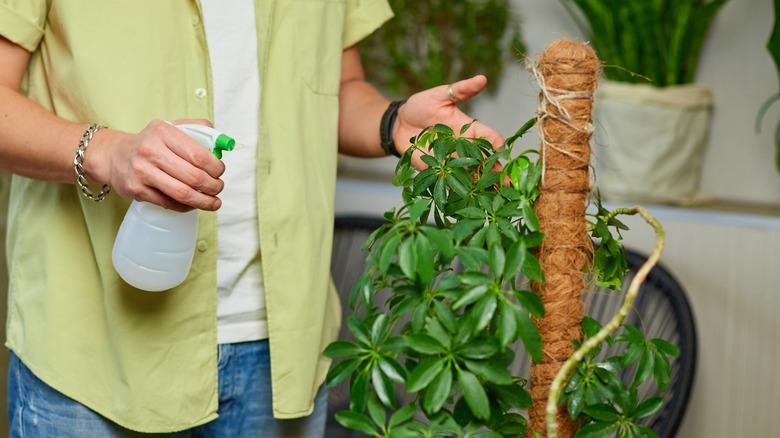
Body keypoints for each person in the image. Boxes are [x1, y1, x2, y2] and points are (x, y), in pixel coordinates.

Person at [0, 1, 504, 436]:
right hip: (96, 352)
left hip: (281, 350)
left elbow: (337, 85)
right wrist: (106, 152)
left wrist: (392, 120)